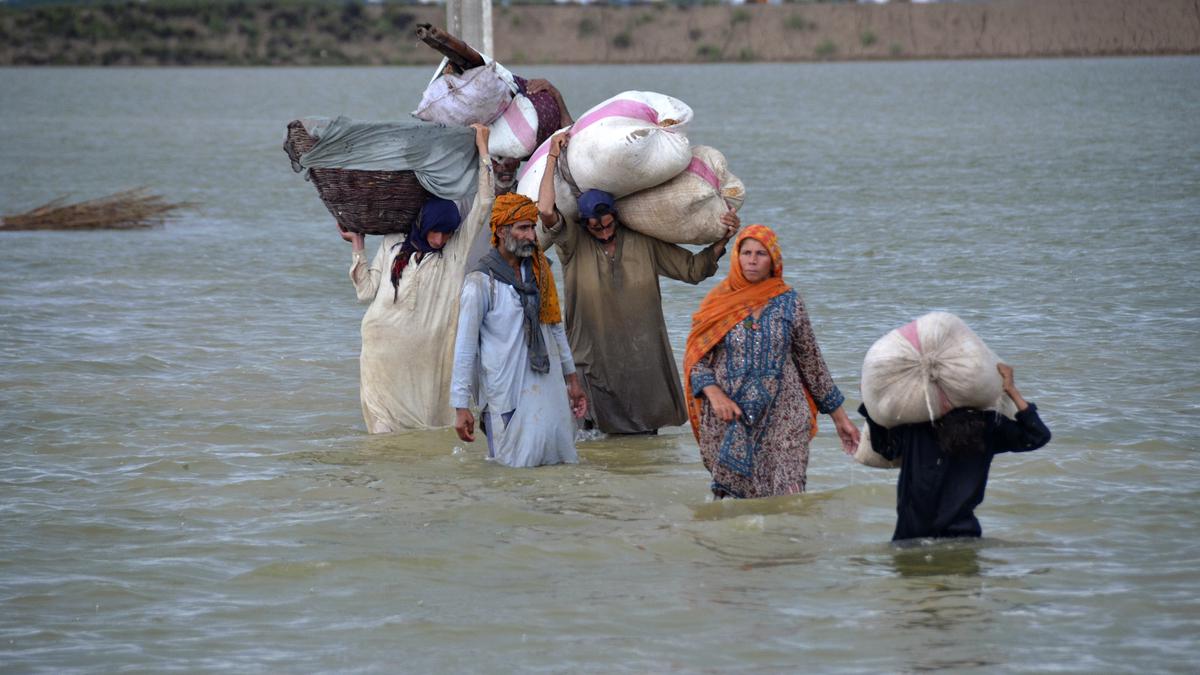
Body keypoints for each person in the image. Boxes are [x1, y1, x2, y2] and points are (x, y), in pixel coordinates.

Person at [536, 132, 739, 434]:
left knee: (644, 437)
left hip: (640, 361)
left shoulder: (643, 241)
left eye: (608, 225)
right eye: (595, 227)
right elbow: (545, 211)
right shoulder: (573, 243)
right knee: (591, 438)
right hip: (591, 359)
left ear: (617, 217)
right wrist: (552, 157)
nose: (604, 232)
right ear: (584, 225)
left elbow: (694, 269)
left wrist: (723, 238)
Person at [684, 224, 860, 499]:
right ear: (737, 257)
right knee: (734, 509)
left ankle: (791, 540)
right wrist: (715, 394)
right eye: (746, 252)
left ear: (773, 260)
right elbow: (696, 362)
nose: (752, 260)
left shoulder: (790, 302)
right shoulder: (717, 304)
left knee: (789, 498)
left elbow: (812, 364)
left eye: (761, 253)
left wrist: (841, 419)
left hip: (785, 416)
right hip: (730, 418)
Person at [339, 123, 495, 433]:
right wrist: (358, 246)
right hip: (382, 352)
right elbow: (366, 292)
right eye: (436, 231)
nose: (440, 239)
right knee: (383, 432)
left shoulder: (454, 253)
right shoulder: (393, 244)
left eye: (447, 233)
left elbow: (484, 204)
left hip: (428, 358)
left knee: (430, 428)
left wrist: (483, 150)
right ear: (423, 225)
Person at [450, 193, 588, 467]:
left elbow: (556, 329)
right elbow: (464, 348)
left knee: (556, 466)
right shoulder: (480, 283)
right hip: (505, 396)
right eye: (522, 228)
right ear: (501, 231)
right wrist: (461, 406)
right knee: (510, 475)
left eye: (532, 228)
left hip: (548, 389)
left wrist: (572, 381)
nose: (531, 236)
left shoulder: (540, 273)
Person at [858, 363, 1052, 541]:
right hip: (963, 536)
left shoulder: (916, 425)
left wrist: (870, 401)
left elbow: (886, 449)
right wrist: (1011, 390)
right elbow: (1037, 435)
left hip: (912, 537)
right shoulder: (987, 425)